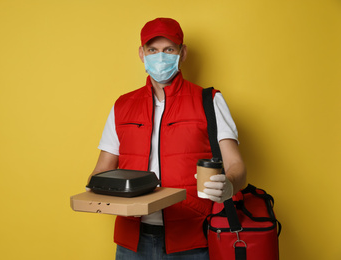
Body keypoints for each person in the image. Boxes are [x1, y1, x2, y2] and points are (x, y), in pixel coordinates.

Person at [87, 17, 246, 259]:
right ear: (142, 54)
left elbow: (236, 165)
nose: (160, 57)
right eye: (153, 50)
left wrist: (229, 185)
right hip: (132, 243)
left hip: (193, 240)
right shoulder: (122, 105)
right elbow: (100, 172)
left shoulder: (210, 100)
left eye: (168, 49)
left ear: (182, 53)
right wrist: (102, 190)